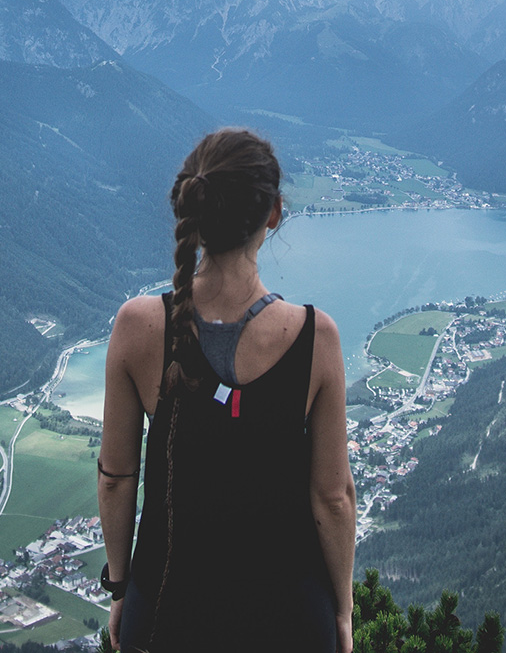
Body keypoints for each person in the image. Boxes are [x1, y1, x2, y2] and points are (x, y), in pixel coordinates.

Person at [95, 128, 357, 653]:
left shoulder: (137, 327)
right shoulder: (315, 338)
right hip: (290, 622)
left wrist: (122, 587)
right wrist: (344, 610)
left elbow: (117, 479)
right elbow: (333, 497)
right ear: (274, 215)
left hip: (168, 613)